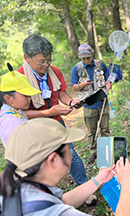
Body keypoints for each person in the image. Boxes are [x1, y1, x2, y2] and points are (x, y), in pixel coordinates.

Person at [17, 35, 95, 205]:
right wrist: (47, 112)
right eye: (41, 62)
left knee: (71, 155)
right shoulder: (19, 78)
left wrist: (71, 101)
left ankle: (84, 189)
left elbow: (61, 94)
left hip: (56, 124)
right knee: (39, 163)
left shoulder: (55, 72)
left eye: (49, 61)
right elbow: (20, 113)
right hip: (34, 129)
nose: (46, 65)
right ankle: (46, 199)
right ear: (27, 58)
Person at [0, 118, 130, 216]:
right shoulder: (54, 213)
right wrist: (127, 184)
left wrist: (98, 180)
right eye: (68, 147)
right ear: (52, 160)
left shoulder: (14, 183)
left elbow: (61, 201)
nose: (71, 153)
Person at [70, 44, 112, 164]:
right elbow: (73, 87)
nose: (86, 60)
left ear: (92, 54)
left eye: (88, 57)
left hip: (102, 101)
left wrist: (109, 84)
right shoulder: (77, 68)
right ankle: (93, 151)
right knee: (91, 131)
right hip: (88, 104)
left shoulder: (100, 64)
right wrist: (83, 85)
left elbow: (108, 79)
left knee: (105, 128)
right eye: (83, 58)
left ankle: (105, 151)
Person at [0, 65, 42, 147]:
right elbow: (24, 147)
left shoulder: (14, 112)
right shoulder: (11, 121)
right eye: (25, 95)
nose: (30, 98)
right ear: (9, 99)